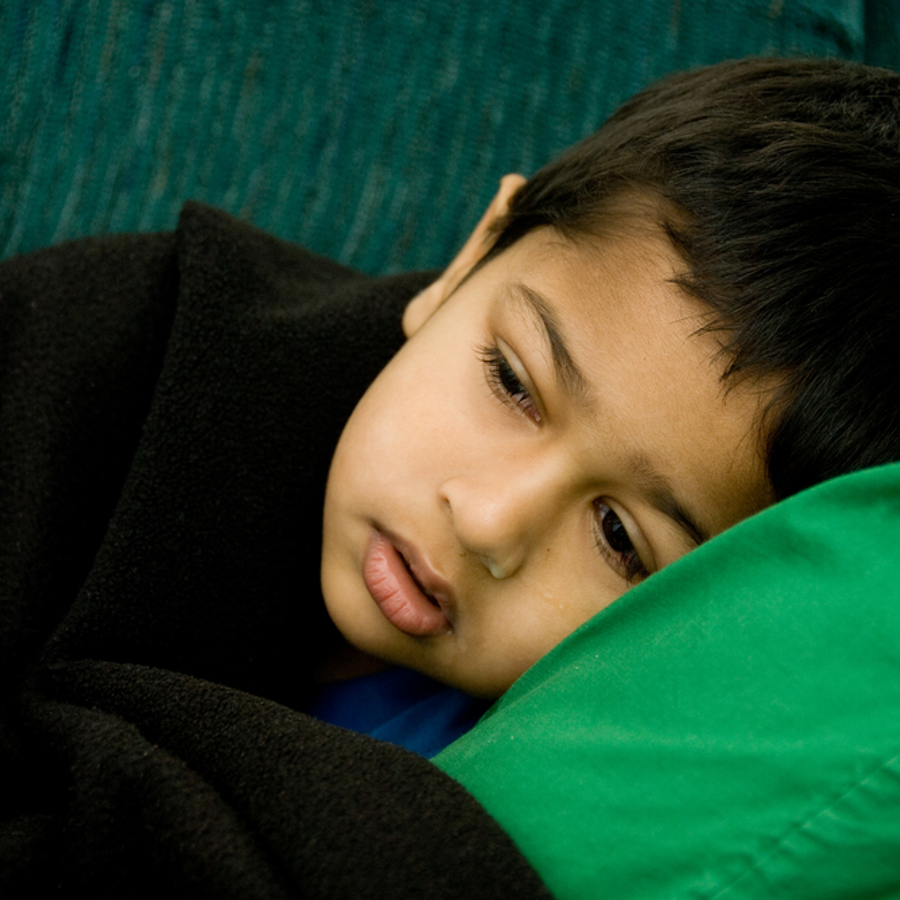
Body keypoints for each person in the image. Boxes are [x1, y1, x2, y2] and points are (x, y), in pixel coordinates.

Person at [1, 55, 899, 897]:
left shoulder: (533, 786)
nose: (488, 524)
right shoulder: (120, 349)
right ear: (471, 256)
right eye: (513, 382)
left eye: (620, 539)